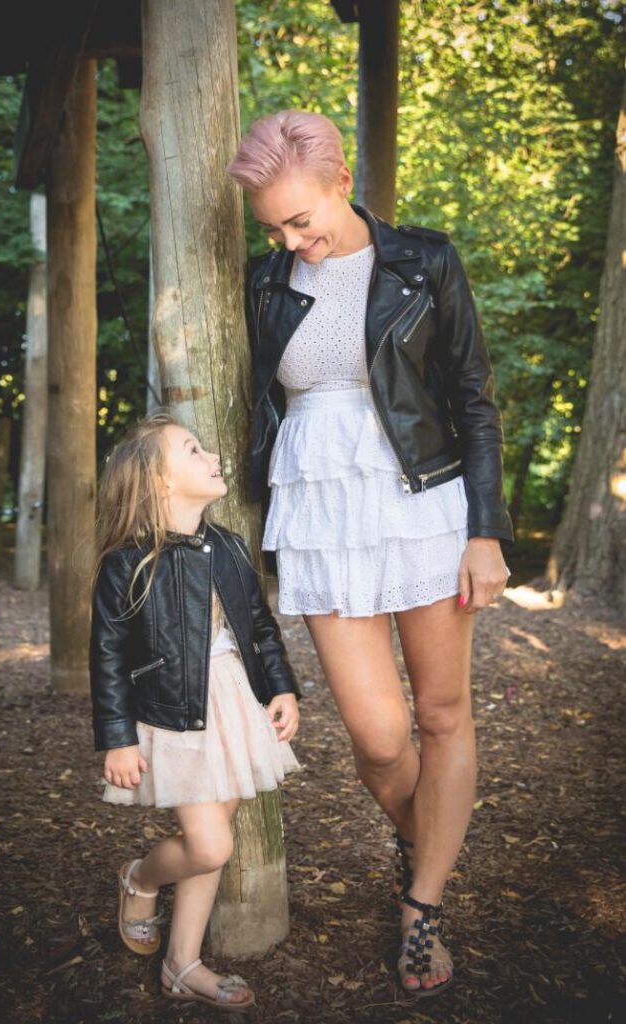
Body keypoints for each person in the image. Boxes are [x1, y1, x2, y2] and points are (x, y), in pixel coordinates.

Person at [227, 110, 513, 998]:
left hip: (425, 499)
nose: (293, 241)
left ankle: (422, 903)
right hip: (317, 506)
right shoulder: (264, 281)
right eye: (275, 227)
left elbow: (472, 398)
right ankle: (422, 831)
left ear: (341, 183)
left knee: (442, 714)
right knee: (380, 737)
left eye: (302, 219)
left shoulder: (424, 259)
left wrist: (486, 529)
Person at [89, 412, 301, 1011]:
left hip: (235, 704)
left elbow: (259, 625)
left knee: (217, 837)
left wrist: (281, 687)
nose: (213, 456)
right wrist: (116, 736)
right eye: (193, 449)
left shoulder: (230, 545)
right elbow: (105, 653)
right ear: (160, 481)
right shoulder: (126, 563)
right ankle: (140, 878)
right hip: (171, 712)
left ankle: (182, 965)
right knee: (209, 846)